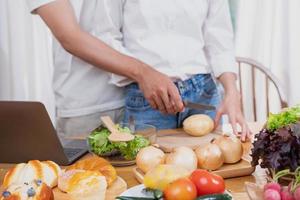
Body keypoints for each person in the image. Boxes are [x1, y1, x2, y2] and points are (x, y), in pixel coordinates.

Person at [27, 0, 183, 138]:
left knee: (142, 170)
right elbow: (69, 37)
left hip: (138, 100)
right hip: (88, 106)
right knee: (87, 170)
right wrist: (144, 73)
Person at [117, 0, 251, 141]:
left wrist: (231, 90)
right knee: (149, 160)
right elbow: (106, 36)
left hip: (204, 94)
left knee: (213, 159)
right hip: (150, 99)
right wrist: (142, 73)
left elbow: (220, 39)